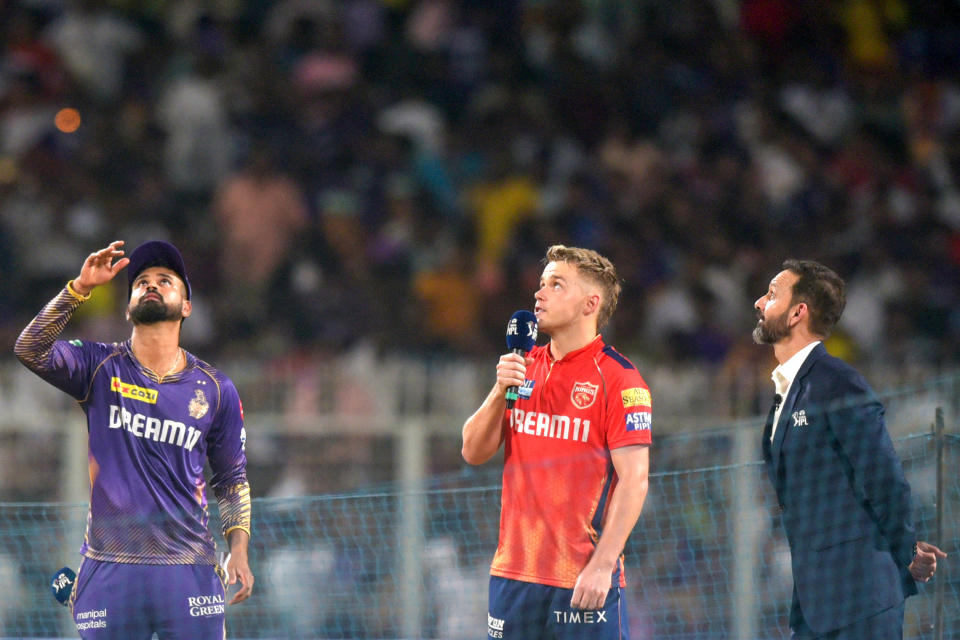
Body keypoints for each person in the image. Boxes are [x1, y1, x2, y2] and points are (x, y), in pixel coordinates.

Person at [14, 240, 253, 639]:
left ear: (187, 306)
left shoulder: (215, 388)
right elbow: (30, 349)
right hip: (110, 567)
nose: (151, 285)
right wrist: (79, 289)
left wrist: (240, 550)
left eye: (165, 280)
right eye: (141, 282)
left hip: (188, 570)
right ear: (128, 308)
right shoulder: (98, 366)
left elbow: (232, 479)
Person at [461, 245, 651, 639]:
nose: (539, 294)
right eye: (541, 284)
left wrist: (603, 565)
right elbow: (472, 451)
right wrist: (499, 390)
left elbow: (634, 481)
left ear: (590, 304)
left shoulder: (619, 379)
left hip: (582, 578)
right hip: (513, 575)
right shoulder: (522, 364)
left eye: (556, 285)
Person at [753, 259, 946, 639]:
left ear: (798, 313)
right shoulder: (784, 393)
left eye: (772, 294)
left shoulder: (838, 383)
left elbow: (883, 477)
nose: (760, 302)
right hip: (813, 602)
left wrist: (907, 551)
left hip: (859, 602)